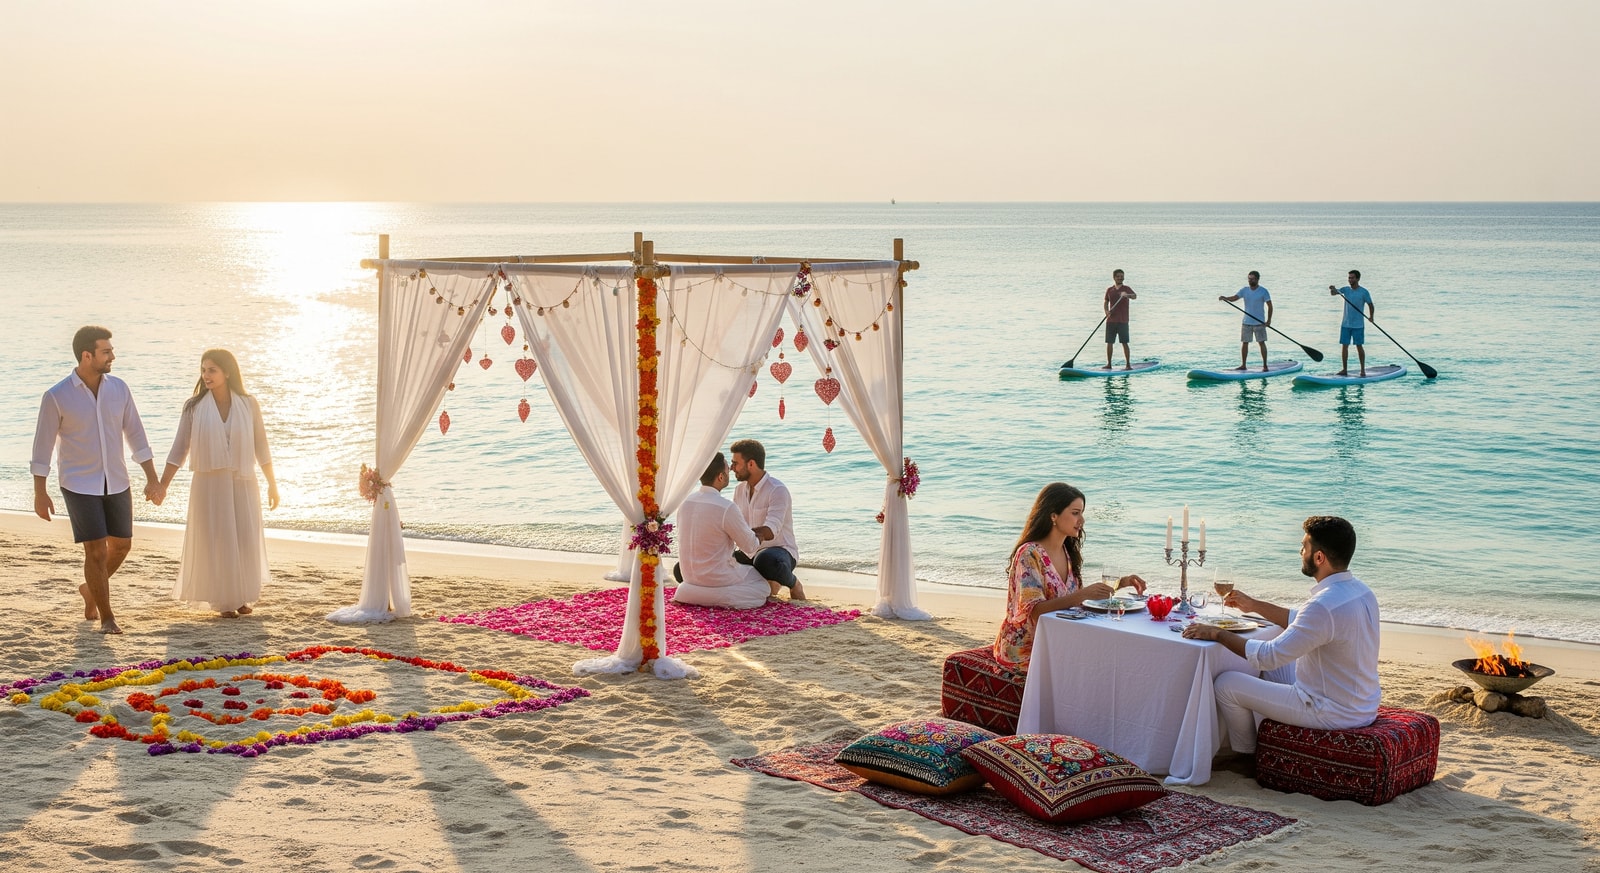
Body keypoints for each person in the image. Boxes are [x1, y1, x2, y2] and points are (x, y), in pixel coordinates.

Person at [1182, 516, 1380, 772]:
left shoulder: (1323, 605)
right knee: (1274, 670)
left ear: (1319, 558)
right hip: (1361, 704)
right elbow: (1301, 621)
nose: (1300, 552)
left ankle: (1248, 757)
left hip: (1329, 711)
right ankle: (1265, 739)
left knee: (1226, 684)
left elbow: (1267, 656)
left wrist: (1216, 634)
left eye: (1304, 546)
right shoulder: (1361, 591)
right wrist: (1253, 606)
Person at [30, 326, 161, 634]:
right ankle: (107, 617)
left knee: (122, 546)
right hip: (78, 484)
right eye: (106, 351)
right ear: (87, 355)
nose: (112, 355)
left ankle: (90, 589)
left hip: (116, 480)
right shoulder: (57, 396)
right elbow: (42, 447)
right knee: (96, 551)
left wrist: (152, 479)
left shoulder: (119, 389)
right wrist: (40, 491)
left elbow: (136, 435)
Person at [154, 349, 279, 618]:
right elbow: (179, 449)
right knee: (217, 540)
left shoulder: (248, 404)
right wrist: (163, 484)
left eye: (212, 370)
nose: (206, 375)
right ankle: (223, 601)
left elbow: (262, 445)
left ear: (227, 372)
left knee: (245, 538)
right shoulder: (194, 407)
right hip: (209, 484)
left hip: (243, 481)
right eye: (203, 370)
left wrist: (272, 484)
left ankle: (243, 595)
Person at [993, 483, 1147, 674]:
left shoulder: (1067, 553)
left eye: (1082, 513)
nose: (1082, 520)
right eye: (1075, 513)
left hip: (1058, 639)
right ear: (1053, 515)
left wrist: (1121, 583)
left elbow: (1071, 598)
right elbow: (1034, 611)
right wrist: (1083, 595)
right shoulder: (1030, 554)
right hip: (1025, 649)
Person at [670, 452, 772, 610]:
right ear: (720, 477)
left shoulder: (685, 503)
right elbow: (750, 546)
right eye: (727, 471)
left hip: (689, 577)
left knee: (746, 575)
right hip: (718, 577)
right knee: (762, 587)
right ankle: (713, 597)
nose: (730, 472)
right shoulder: (726, 507)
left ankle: (691, 593)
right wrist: (759, 535)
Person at [729, 438, 805, 600]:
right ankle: (768, 582)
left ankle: (793, 583)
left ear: (751, 464)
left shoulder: (777, 490)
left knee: (765, 559)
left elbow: (771, 531)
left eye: (735, 463)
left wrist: (744, 534)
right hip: (749, 551)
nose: (732, 468)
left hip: (779, 552)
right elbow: (734, 523)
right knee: (716, 561)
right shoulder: (739, 490)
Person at [1219, 271, 1272, 371]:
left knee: (1261, 343)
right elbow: (1235, 298)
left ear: (1257, 279)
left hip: (1259, 322)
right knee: (1245, 343)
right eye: (1249, 279)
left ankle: (1265, 366)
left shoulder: (1263, 291)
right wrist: (1225, 298)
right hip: (1246, 321)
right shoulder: (1244, 290)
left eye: (1252, 279)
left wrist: (1268, 320)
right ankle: (1243, 365)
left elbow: (1270, 306)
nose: (1250, 281)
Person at [1328, 270, 1375, 377]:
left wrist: (1371, 317)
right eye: (1349, 278)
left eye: (1352, 278)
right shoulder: (1346, 290)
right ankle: (1344, 369)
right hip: (1345, 324)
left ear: (1358, 279)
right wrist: (1333, 289)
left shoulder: (1364, 292)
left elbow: (1371, 305)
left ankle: (1362, 370)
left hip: (1358, 325)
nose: (1350, 280)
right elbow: (1334, 293)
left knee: (1359, 346)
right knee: (1344, 346)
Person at [1103, 269, 1138, 369]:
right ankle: (1109, 364)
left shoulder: (1126, 288)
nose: (1120, 278)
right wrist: (1106, 311)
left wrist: (1127, 295)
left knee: (1124, 342)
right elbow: (1106, 302)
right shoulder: (1110, 290)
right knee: (1109, 343)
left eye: (1122, 276)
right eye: (1118, 276)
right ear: (1114, 277)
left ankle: (1128, 365)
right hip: (1111, 320)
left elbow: (1135, 296)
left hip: (1123, 321)